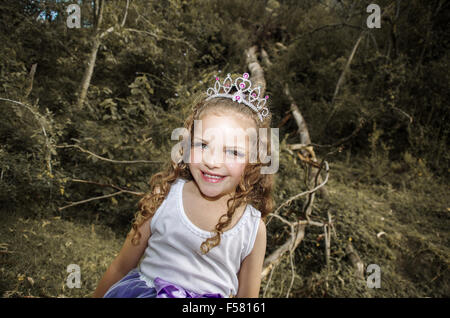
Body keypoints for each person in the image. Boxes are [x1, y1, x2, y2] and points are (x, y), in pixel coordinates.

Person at [93, 72, 274, 298]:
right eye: (203, 145)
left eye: (233, 151)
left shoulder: (252, 229)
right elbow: (120, 267)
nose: (212, 161)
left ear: (253, 161)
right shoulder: (165, 195)